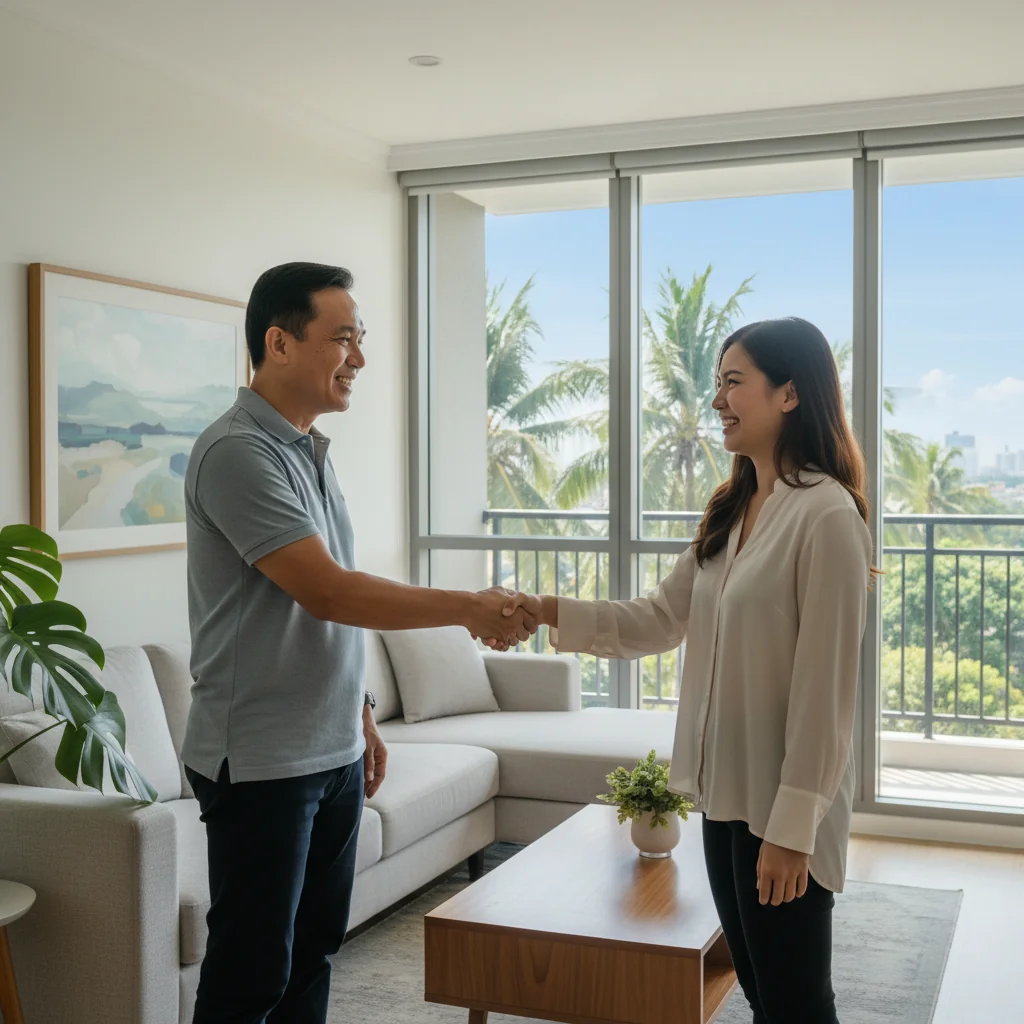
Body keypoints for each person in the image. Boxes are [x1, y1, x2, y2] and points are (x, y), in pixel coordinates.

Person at [181, 262, 535, 1024]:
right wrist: (469, 608)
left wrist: (363, 710)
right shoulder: (237, 453)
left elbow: (330, 600)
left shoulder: (310, 450)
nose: (360, 360)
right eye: (344, 339)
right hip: (264, 761)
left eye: (361, 339)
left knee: (313, 956)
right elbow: (329, 591)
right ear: (278, 342)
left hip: (332, 750)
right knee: (252, 972)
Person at [495, 318, 874, 1024]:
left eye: (734, 383)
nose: (717, 400)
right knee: (763, 990)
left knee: (796, 1002)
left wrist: (791, 831)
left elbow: (826, 696)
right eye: (717, 384)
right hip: (723, 800)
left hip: (782, 811)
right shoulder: (733, 511)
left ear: (789, 394)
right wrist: (544, 608)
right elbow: (654, 621)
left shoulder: (827, 517)